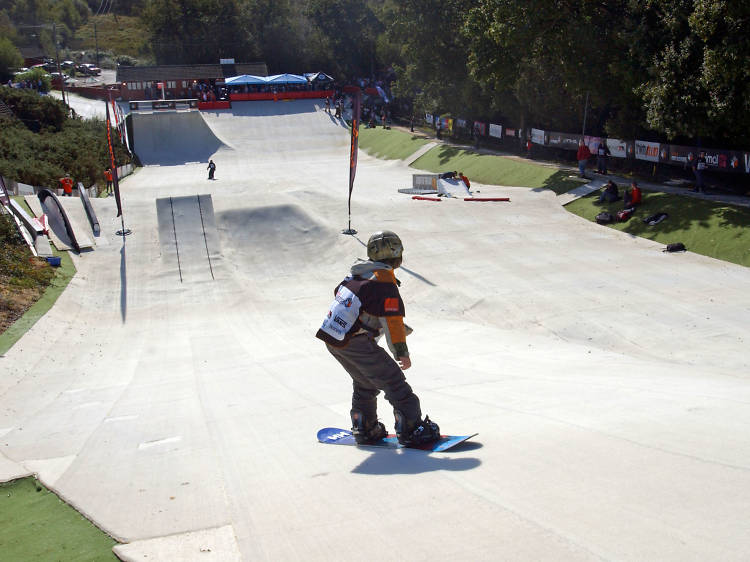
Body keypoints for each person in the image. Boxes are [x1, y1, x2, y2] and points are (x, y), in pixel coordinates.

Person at [316, 230, 440, 447]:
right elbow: (392, 322)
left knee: (365, 382)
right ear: (399, 255)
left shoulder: (357, 276)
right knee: (394, 382)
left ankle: (364, 427)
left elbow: (352, 302)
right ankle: (411, 428)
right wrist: (401, 353)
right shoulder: (384, 284)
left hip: (333, 339)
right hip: (356, 342)